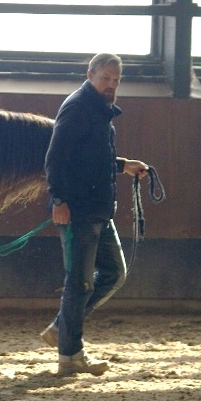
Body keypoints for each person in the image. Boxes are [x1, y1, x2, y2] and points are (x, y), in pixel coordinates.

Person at [40, 53, 149, 376]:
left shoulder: (98, 111)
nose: (111, 85)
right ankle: (70, 355)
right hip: (79, 210)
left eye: (116, 80)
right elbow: (55, 157)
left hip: (98, 209)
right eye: (106, 78)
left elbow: (90, 158)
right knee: (79, 283)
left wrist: (122, 166)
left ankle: (62, 329)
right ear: (90, 75)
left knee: (114, 273)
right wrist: (58, 198)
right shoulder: (77, 107)